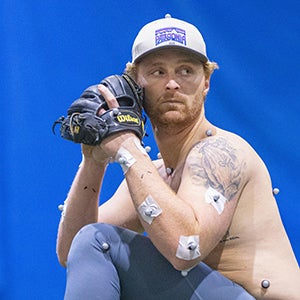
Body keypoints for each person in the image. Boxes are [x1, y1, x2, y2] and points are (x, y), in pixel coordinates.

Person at [56, 14, 300, 299]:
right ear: (136, 84)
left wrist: (127, 149)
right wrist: (93, 160)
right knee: (93, 239)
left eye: (185, 71)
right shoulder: (155, 176)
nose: (172, 83)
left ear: (206, 81)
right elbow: (74, 249)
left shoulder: (221, 152)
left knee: (100, 241)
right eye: (158, 72)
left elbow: (186, 248)